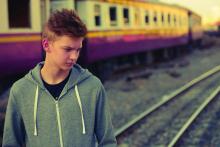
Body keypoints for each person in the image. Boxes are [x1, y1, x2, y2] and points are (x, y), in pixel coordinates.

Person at [2, 9, 117, 147]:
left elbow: (108, 142)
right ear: (46, 45)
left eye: (78, 49)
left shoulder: (93, 86)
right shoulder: (21, 90)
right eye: (67, 49)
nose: (74, 57)